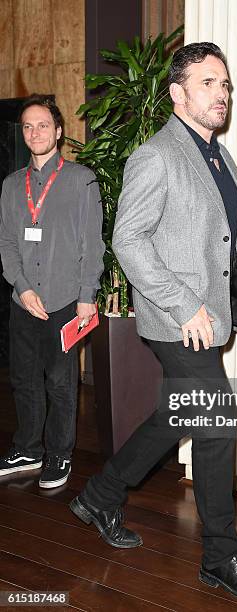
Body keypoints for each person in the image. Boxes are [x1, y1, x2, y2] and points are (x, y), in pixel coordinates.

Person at [70, 43, 237, 601]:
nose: (223, 93)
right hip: (178, 320)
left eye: (226, 84)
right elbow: (128, 240)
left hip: (207, 316)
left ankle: (100, 494)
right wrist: (184, 303)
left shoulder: (219, 157)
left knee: (177, 415)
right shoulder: (157, 154)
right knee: (219, 427)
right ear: (177, 93)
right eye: (210, 82)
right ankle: (221, 556)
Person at [0, 94, 104, 489]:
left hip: (65, 301)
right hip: (23, 301)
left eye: (43, 125)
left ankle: (59, 455)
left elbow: (92, 244)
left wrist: (86, 295)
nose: (35, 132)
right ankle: (28, 448)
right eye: (27, 126)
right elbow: (8, 244)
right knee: (23, 380)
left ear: (58, 131)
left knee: (61, 384)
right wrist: (22, 289)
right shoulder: (12, 186)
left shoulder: (82, 179)